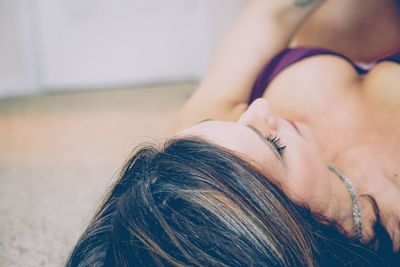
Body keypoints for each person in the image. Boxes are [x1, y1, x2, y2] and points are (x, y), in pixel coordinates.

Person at [66, 0, 400, 266]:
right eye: (275, 146)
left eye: (233, 124)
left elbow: (274, 10)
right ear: (303, 234)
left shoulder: (198, 162)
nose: (258, 108)